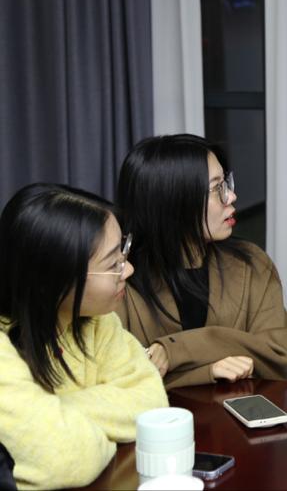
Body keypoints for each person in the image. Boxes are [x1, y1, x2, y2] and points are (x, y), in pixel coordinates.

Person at [0, 184, 167, 489]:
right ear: (54, 279)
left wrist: (56, 414)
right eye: (113, 263)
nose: (128, 269)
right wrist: (102, 425)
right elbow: (67, 459)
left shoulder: (98, 321)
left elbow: (152, 403)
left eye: (124, 252)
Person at [115, 134, 287, 388]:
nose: (231, 196)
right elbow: (117, 382)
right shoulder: (120, 279)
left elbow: (280, 357)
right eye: (216, 188)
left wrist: (178, 350)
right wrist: (207, 371)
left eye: (226, 183)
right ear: (173, 202)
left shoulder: (252, 264)